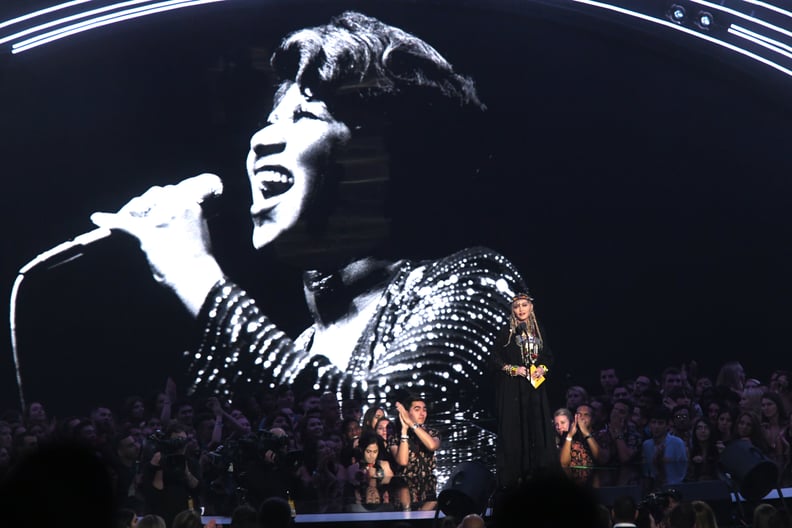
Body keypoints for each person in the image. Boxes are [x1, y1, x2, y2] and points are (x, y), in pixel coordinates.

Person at [88, 10, 527, 425]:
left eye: (305, 116)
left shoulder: (477, 281)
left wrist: (194, 274)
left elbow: (383, 418)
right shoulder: (301, 348)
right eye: (271, 120)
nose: (261, 140)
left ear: (385, 158)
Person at [489, 292, 558, 488]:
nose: (521, 309)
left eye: (524, 305)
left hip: (534, 388)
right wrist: (513, 369)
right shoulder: (506, 332)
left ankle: (538, 474)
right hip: (512, 389)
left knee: (535, 428)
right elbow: (494, 359)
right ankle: (513, 477)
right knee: (514, 431)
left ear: (531, 307)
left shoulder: (539, 330)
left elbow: (548, 357)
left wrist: (542, 369)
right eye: (517, 305)